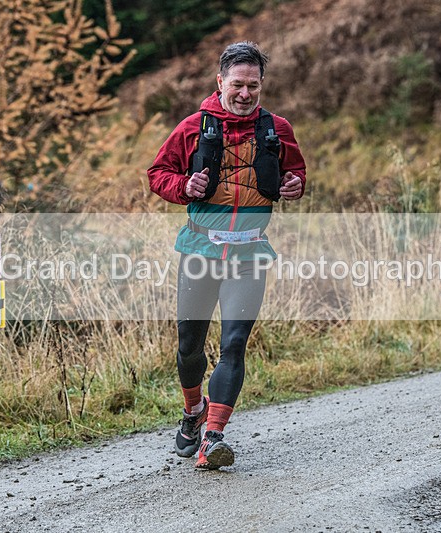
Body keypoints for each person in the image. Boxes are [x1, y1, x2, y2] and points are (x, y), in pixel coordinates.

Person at [147, 41, 306, 469]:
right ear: (220, 82)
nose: (245, 94)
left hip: (250, 251)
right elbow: (158, 174)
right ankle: (193, 411)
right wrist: (184, 188)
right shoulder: (192, 127)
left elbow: (296, 173)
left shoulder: (277, 128)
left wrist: (295, 186)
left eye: (253, 85)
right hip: (201, 249)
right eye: (237, 84)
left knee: (234, 344)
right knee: (189, 348)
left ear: (261, 84)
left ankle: (212, 438)